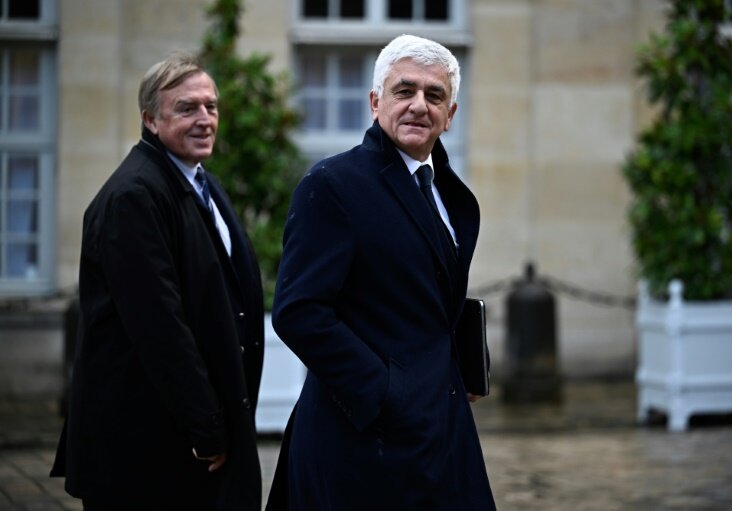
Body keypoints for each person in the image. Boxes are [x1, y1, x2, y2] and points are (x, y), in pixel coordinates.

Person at [266, 34, 496, 510]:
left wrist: (464, 363)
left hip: (444, 426)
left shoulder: (451, 193)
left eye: (435, 95)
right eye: (403, 91)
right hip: (359, 437)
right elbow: (298, 311)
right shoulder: (332, 185)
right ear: (375, 103)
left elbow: (431, 297)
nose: (418, 105)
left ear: (450, 115)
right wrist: (388, 392)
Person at [50, 52, 265, 511]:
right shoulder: (133, 196)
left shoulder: (200, 181)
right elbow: (160, 328)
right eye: (187, 108)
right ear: (150, 119)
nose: (205, 119)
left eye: (211, 106)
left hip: (184, 437)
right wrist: (206, 427)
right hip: (147, 445)